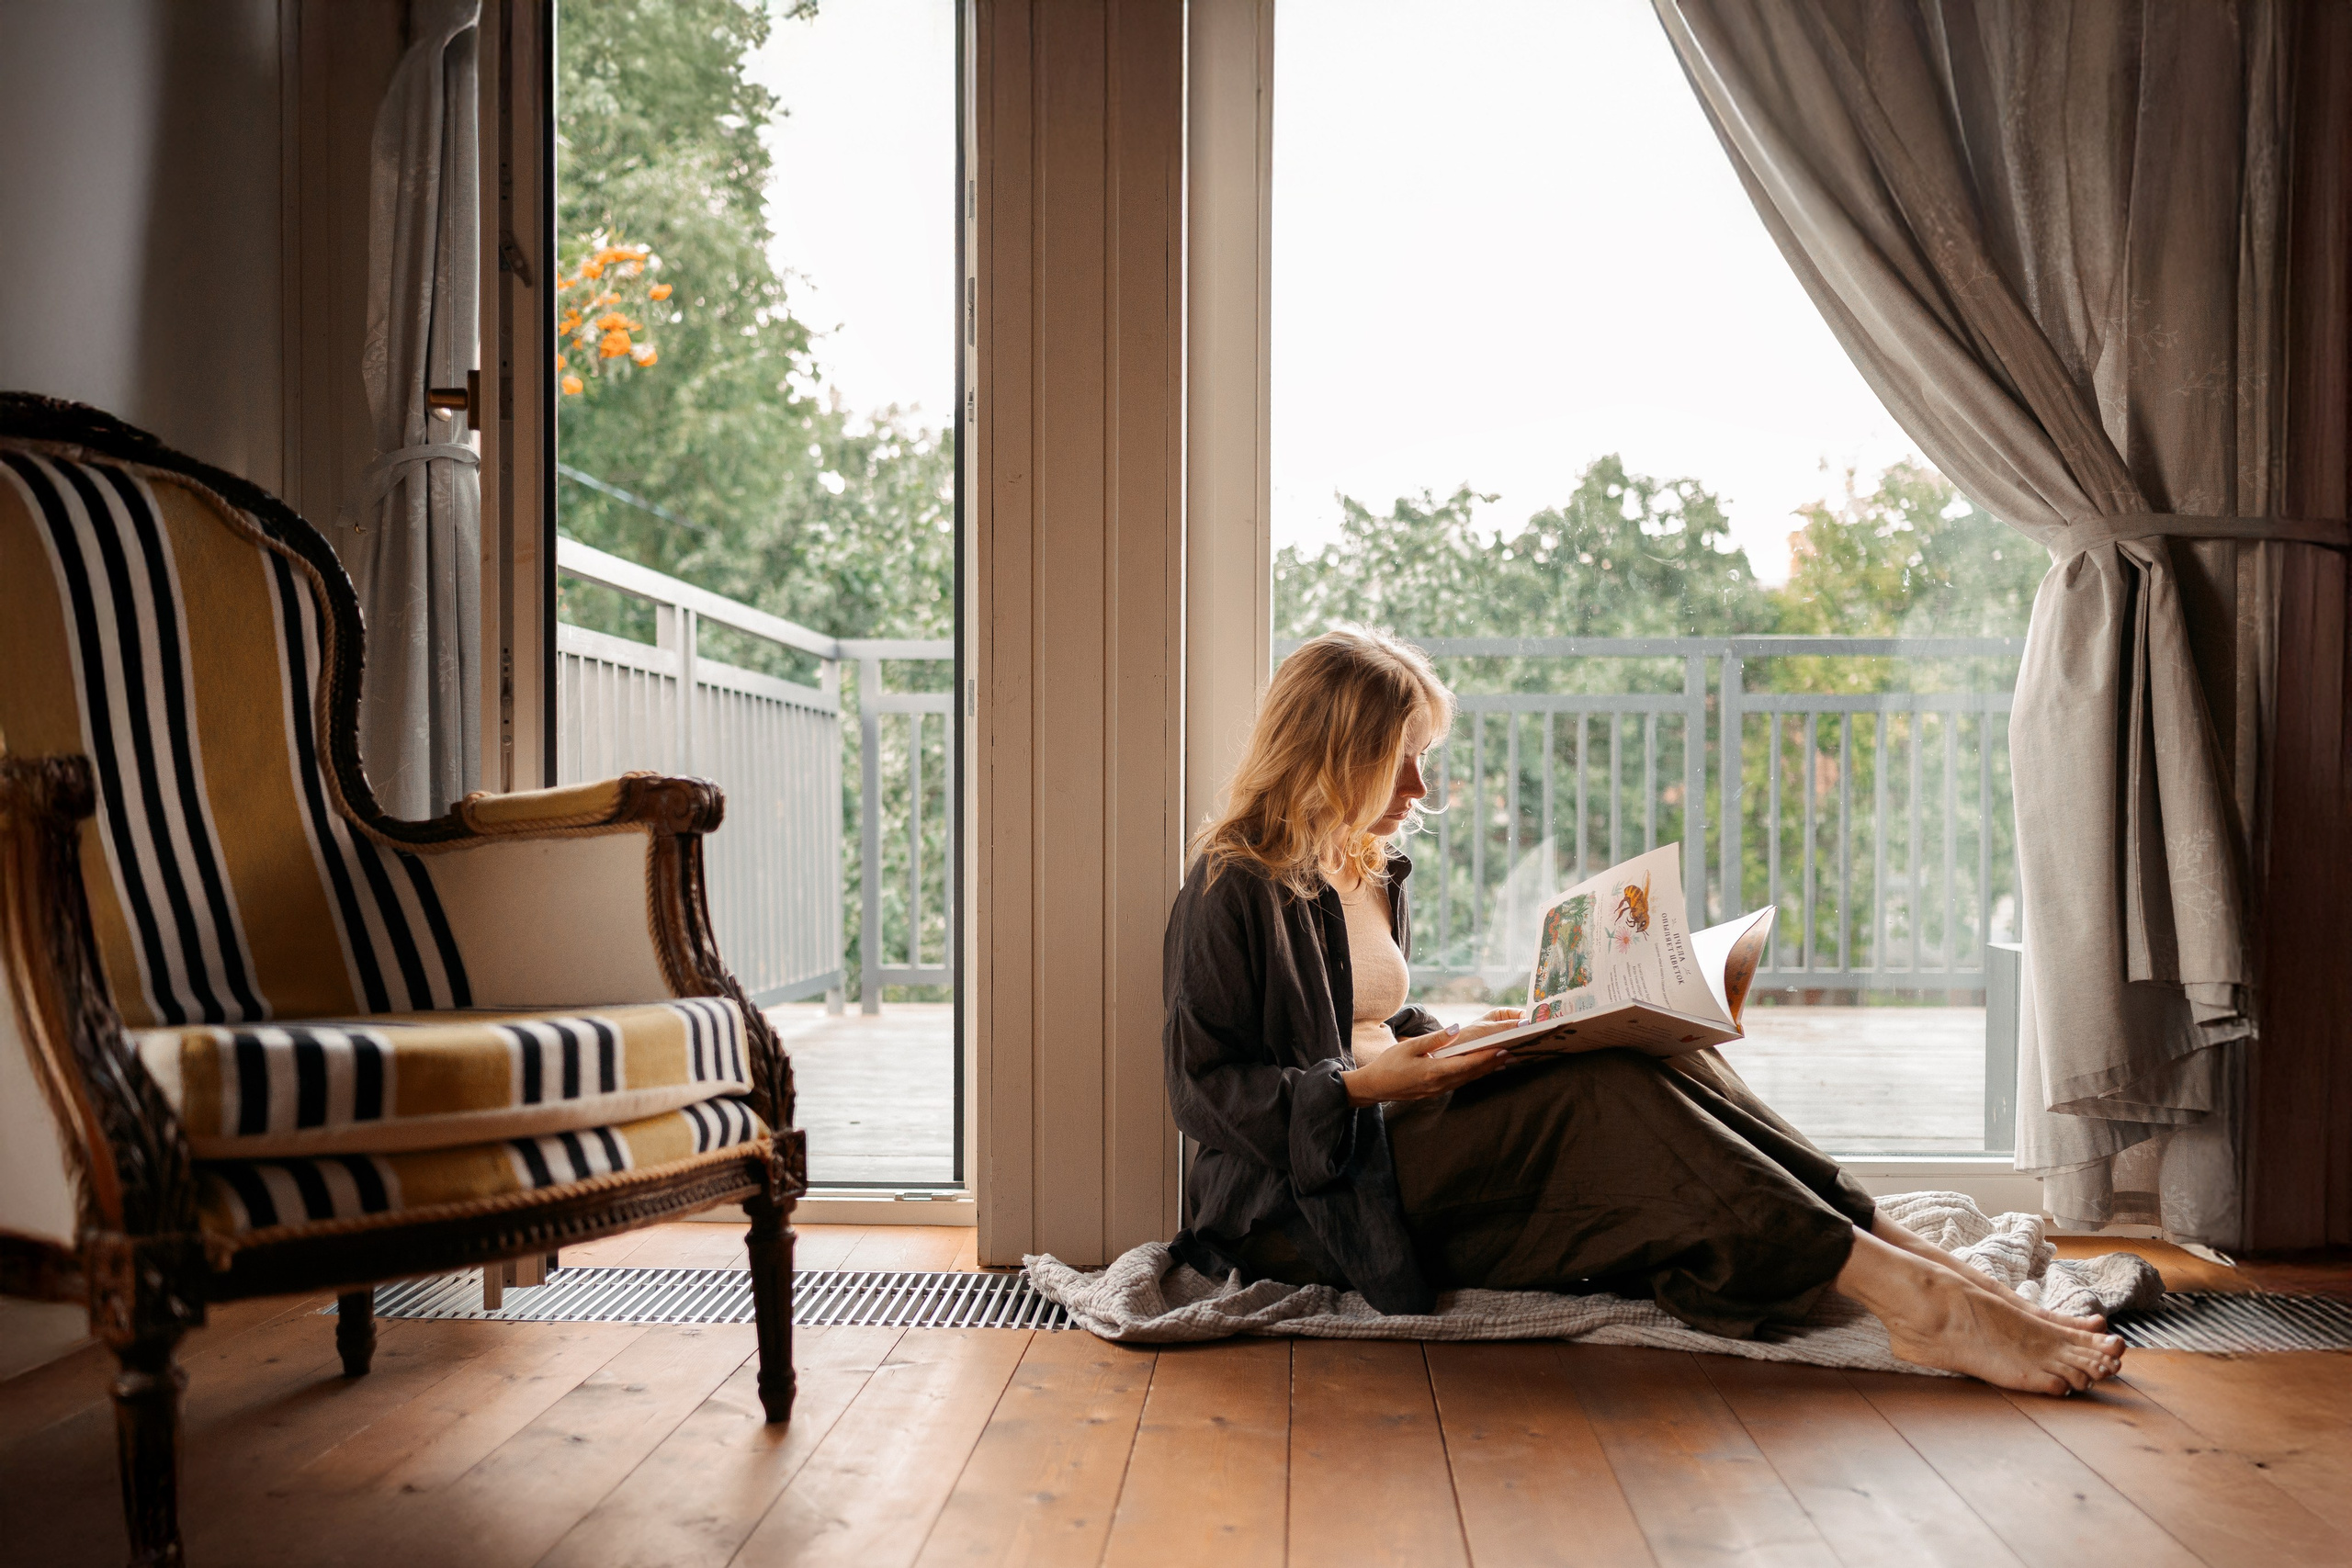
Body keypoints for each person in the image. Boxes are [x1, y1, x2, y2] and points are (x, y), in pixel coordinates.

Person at [1162, 627, 2124, 1395]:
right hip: (1300, 1201)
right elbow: (1204, 1094)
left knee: (1653, 1060)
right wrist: (1371, 1082)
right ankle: (1920, 1302)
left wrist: (1479, 1037)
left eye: (1424, 759)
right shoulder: (1232, 884)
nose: (1420, 788)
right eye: (1399, 761)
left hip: (1391, 1124)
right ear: (1332, 753)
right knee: (1599, 1099)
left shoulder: (1366, 864)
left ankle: (1910, 1257)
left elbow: (1363, 1021)